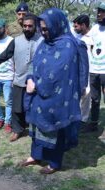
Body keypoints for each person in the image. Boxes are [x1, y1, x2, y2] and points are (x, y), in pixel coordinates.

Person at [20, 8, 88, 174]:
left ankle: (54, 163)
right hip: (38, 95)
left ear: (57, 25)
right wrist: (30, 78)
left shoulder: (69, 45)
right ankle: (35, 156)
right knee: (37, 126)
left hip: (58, 98)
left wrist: (38, 84)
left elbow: (59, 74)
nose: (43, 32)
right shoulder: (44, 44)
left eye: (46, 29)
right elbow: (34, 64)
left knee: (55, 130)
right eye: (41, 29)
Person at [0, 14, 43, 141]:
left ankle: (35, 130)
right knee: (16, 108)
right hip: (19, 80)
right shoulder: (16, 41)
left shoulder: (42, 40)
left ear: (35, 26)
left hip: (37, 82)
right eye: (25, 26)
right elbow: (4, 56)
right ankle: (17, 130)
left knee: (35, 107)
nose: (27, 28)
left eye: (30, 26)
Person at [82, 2, 105, 140]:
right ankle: (94, 124)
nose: (99, 14)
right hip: (94, 70)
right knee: (95, 99)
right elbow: (85, 41)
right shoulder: (95, 28)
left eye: (102, 11)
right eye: (98, 11)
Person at [73, 14, 93, 128]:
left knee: (87, 93)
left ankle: (84, 119)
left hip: (92, 70)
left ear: (84, 25)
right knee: (80, 94)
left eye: (76, 26)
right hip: (79, 70)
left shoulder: (92, 38)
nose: (75, 29)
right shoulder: (77, 38)